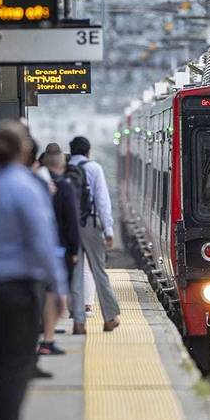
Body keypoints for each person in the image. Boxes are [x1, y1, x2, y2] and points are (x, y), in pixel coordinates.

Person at [0, 122, 68, 420]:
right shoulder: (26, 187)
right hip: (20, 287)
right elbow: (42, 240)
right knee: (16, 361)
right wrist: (59, 287)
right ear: (24, 150)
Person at [66, 136, 121, 334]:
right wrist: (108, 230)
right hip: (90, 224)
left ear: (71, 152)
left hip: (70, 227)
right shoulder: (94, 168)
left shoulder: (65, 169)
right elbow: (102, 201)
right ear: (88, 151)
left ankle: (78, 322)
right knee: (99, 271)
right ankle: (109, 318)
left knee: (76, 272)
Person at [41, 151, 80, 356]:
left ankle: (46, 339)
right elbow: (72, 222)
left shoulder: (37, 184)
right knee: (56, 297)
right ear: (62, 164)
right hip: (59, 250)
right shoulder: (65, 187)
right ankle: (48, 340)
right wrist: (74, 249)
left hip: (39, 251)